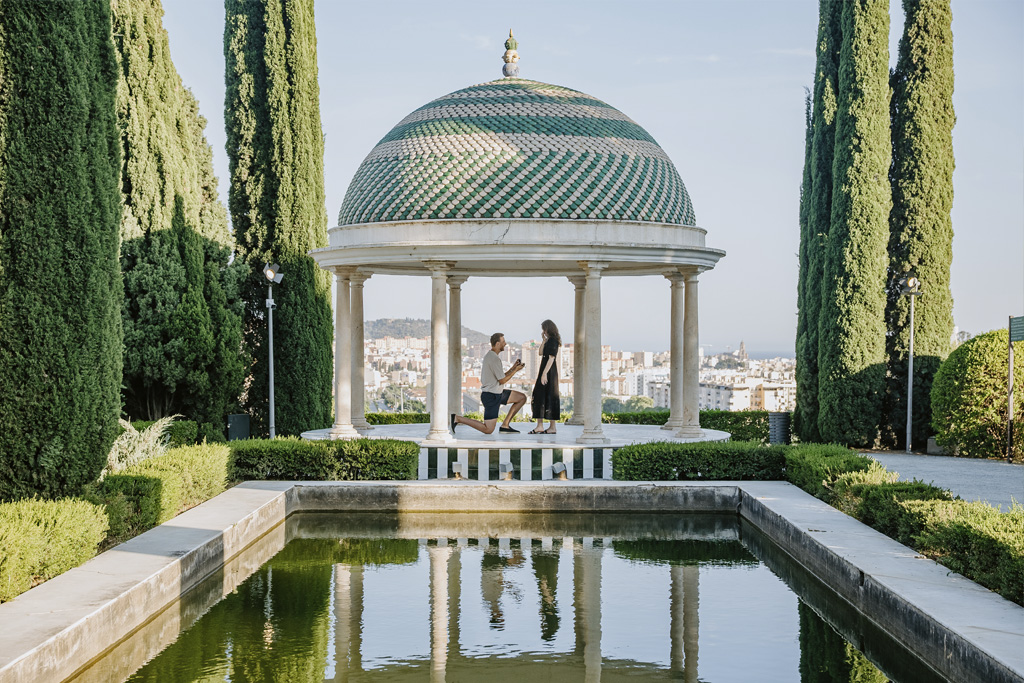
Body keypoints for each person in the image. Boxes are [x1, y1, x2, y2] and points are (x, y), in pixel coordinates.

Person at [451, 332, 526, 434]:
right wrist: (516, 370)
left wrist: (513, 367)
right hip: (491, 396)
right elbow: (502, 380)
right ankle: (458, 418)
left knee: (522, 398)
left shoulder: (492, 357)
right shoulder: (494, 359)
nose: (505, 344)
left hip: (498, 393)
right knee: (488, 429)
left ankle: (505, 425)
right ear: (498, 344)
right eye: (503, 342)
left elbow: (501, 376)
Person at [529, 319, 561, 434]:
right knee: (542, 396)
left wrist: (544, 374)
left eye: (544, 329)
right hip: (546, 371)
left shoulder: (553, 341)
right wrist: (543, 340)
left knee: (547, 396)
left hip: (549, 372)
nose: (543, 331)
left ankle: (547, 427)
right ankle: (542, 426)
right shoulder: (549, 341)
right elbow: (541, 353)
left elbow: (551, 358)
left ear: (548, 329)